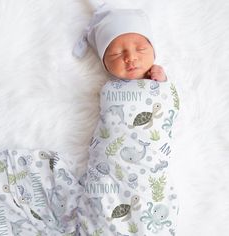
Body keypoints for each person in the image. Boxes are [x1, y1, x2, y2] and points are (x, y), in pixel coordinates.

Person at [73, 3, 180, 236]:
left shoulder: (158, 84)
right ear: (104, 62)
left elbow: (170, 109)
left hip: (149, 168)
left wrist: (163, 84)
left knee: (152, 201)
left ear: (153, 50)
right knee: (102, 202)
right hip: (109, 168)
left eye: (140, 48)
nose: (130, 58)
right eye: (116, 53)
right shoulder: (109, 90)